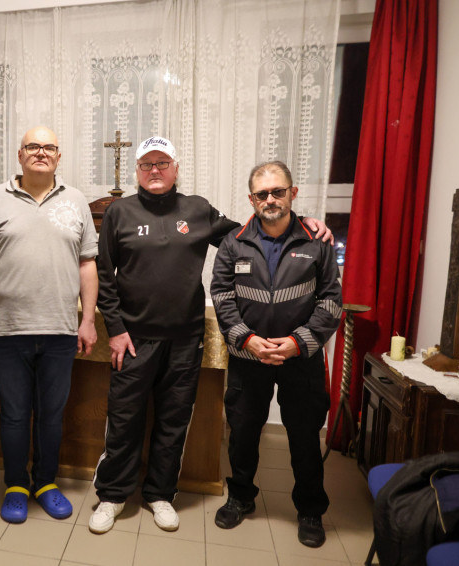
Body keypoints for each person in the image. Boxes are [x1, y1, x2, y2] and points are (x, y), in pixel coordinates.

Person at [89, 138, 333, 535]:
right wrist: (115, 330)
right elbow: (104, 274)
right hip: (134, 339)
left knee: (174, 420)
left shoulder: (198, 209)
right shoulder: (119, 212)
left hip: (185, 339)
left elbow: (250, 234)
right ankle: (112, 495)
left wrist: (305, 223)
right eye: (147, 164)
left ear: (175, 168)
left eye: (162, 162)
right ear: (137, 170)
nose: (155, 170)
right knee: (123, 419)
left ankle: (160, 494)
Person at [0, 126, 98, 524]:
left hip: (60, 330)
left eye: (49, 147)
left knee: (52, 415)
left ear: (59, 156)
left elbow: (87, 264)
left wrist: (88, 320)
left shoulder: (76, 200)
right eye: (33, 146)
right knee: (13, 415)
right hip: (9, 329)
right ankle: (15, 485)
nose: (41, 152)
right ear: (20, 154)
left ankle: (44, 482)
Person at [210, 160, 342, 548]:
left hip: (300, 359)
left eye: (278, 191)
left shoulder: (317, 242)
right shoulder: (234, 242)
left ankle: (310, 510)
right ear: (252, 199)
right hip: (248, 358)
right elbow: (222, 297)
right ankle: (240, 497)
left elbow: (331, 301)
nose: (270, 199)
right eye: (262, 194)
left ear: (292, 193)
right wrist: (247, 339)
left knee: (304, 437)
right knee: (242, 434)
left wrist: (298, 342)